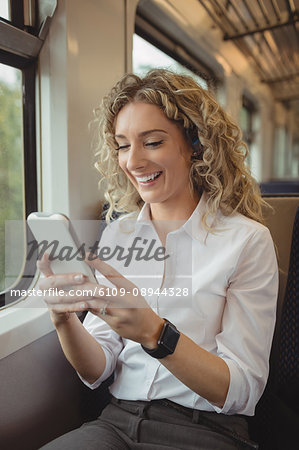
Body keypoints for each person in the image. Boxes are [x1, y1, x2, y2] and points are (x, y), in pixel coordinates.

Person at [38, 69, 278, 449]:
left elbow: (243, 389)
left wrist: (155, 333)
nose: (132, 161)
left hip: (206, 431)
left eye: (151, 142)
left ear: (195, 145)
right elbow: (97, 368)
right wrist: (63, 319)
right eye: (122, 145)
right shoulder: (119, 234)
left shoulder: (247, 241)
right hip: (116, 423)